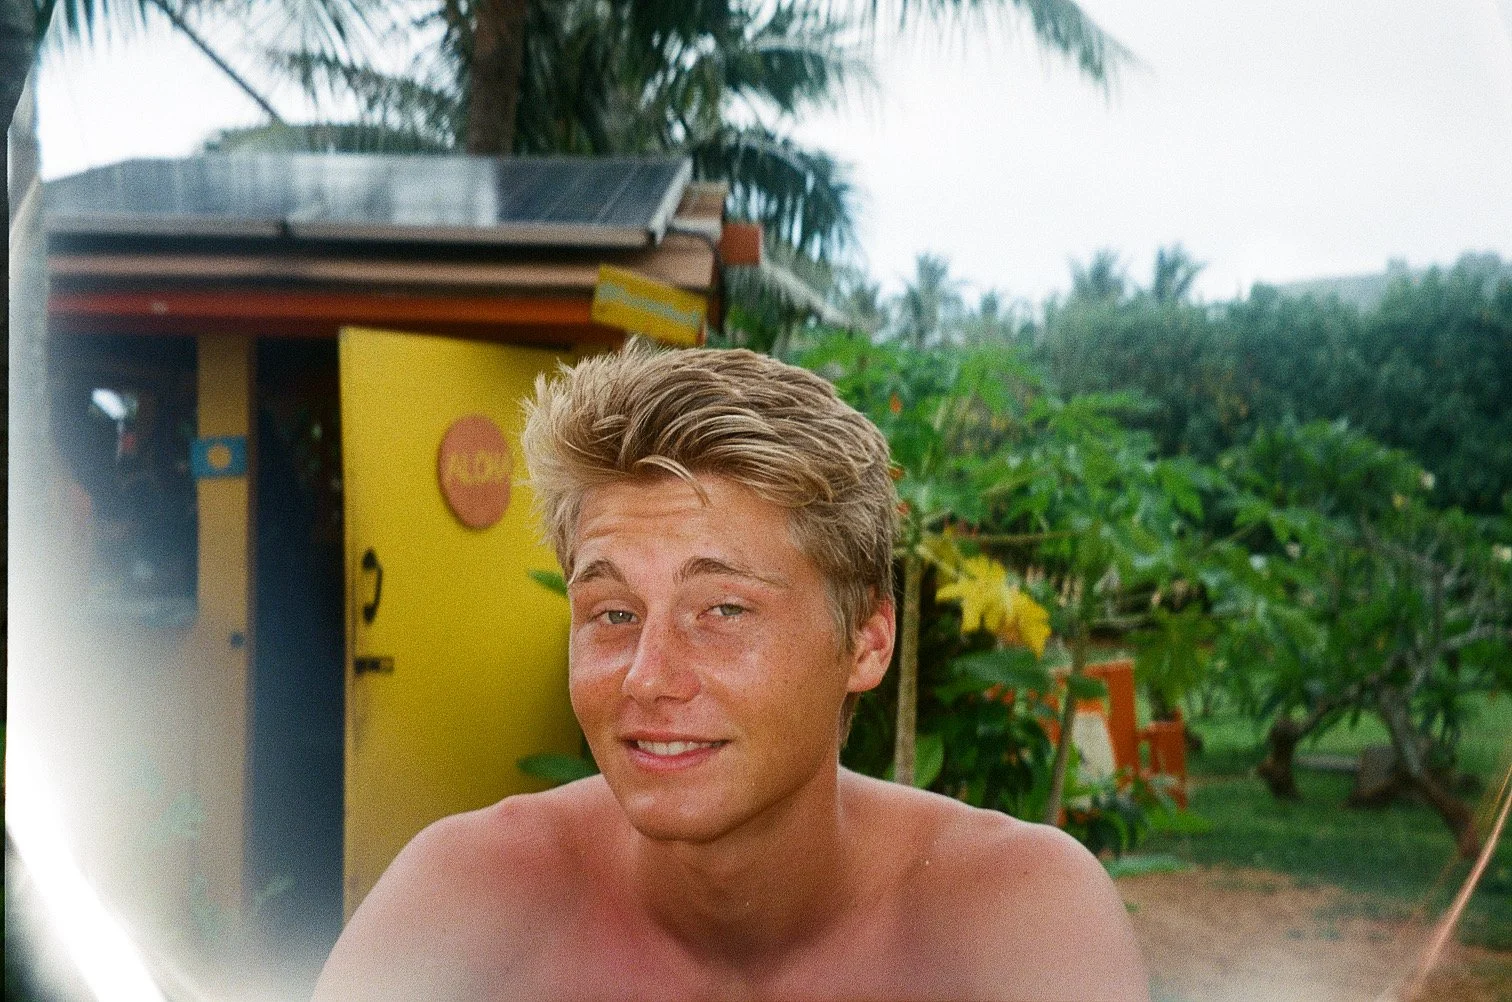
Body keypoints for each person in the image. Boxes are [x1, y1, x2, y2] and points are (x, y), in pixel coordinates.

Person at [313, 345, 1149, 1001]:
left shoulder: (1014, 926)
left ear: (867, 641)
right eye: (613, 614)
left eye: (723, 610)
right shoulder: (467, 909)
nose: (648, 676)